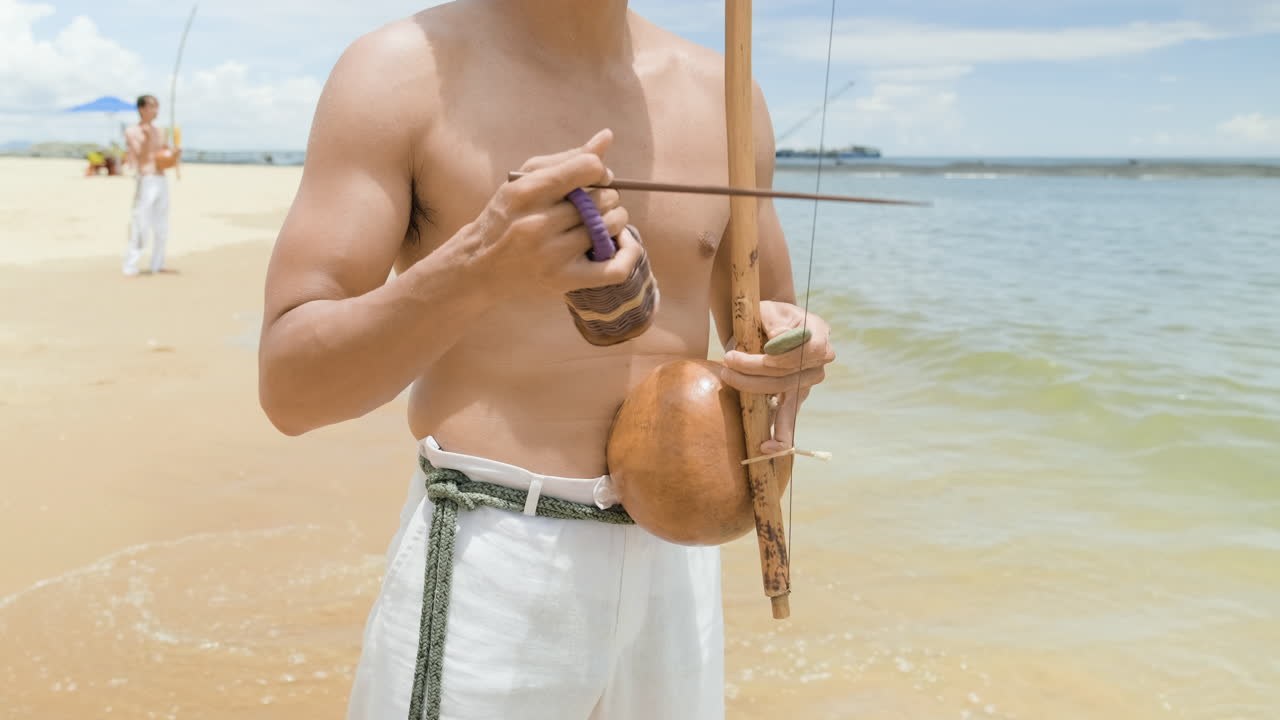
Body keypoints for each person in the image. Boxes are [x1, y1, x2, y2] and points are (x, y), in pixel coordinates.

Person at [258, 3, 837, 719]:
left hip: (679, 567)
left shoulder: (729, 95)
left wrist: (792, 350)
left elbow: (769, 328)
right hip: (495, 557)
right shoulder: (396, 74)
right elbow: (291, 389)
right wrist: (479, 267)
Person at [122, 94, 179, 276]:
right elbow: (141, 156)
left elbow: (163, 157)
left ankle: (158, 264)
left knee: (162, 225)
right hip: (145, 179)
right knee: (141, 223)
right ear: (141, 109)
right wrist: (146, 138)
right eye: (152, 107)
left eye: (157, 106)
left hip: (161, 179)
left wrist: (174, 154)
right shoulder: (132, 131)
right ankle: (131, 265)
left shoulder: (160, 131)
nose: (156, 110)